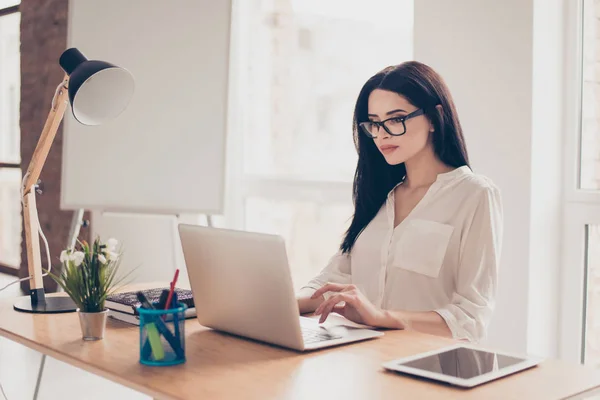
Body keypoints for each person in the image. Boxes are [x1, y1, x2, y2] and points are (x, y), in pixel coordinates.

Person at [296, 61, 503, 342]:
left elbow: (471, 318)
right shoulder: (380, 195)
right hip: (362, 359)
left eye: (395, 119)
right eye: (374, 123)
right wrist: (273, 304)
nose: (381, 134)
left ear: (433, 117)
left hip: (428, 365)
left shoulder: (475, 195)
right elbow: (333, 280)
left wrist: (382, 317)